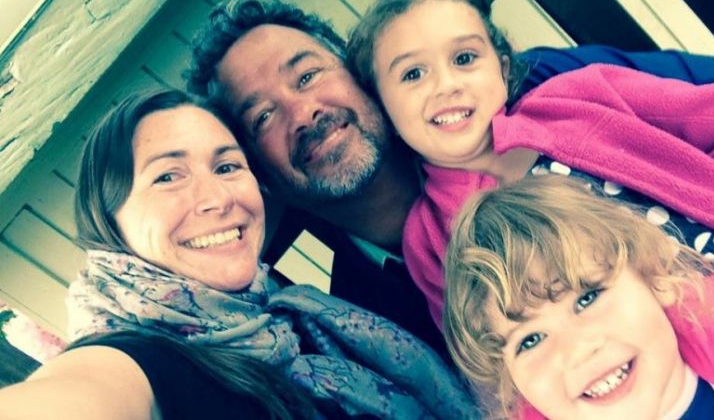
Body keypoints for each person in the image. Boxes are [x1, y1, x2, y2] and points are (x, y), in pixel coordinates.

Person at [185, 0, 714, 346]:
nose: (303, 112)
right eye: (262, 117)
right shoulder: (380, 327)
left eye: (308, 76)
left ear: (359, 75)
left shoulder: (541, 86)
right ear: (259, 173)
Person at [0, 89, 478, 420]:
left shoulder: (292, 316)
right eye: (167, 176)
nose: (217, 198)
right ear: (109, 221)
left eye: (227, 166)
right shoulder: (132, 360)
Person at [345, 0, 714, 328]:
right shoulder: (431, 238)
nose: (446, 85)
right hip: (668, 364)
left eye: (464, 58)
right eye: (413, 74)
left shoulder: (580, 95)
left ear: (502, 69)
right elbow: (484, 357)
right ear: (383, 109)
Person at [444, 175, 714, 419]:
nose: (577, 349)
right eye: (531, 340)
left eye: (587, 298)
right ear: (511, 383)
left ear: (655, 278)